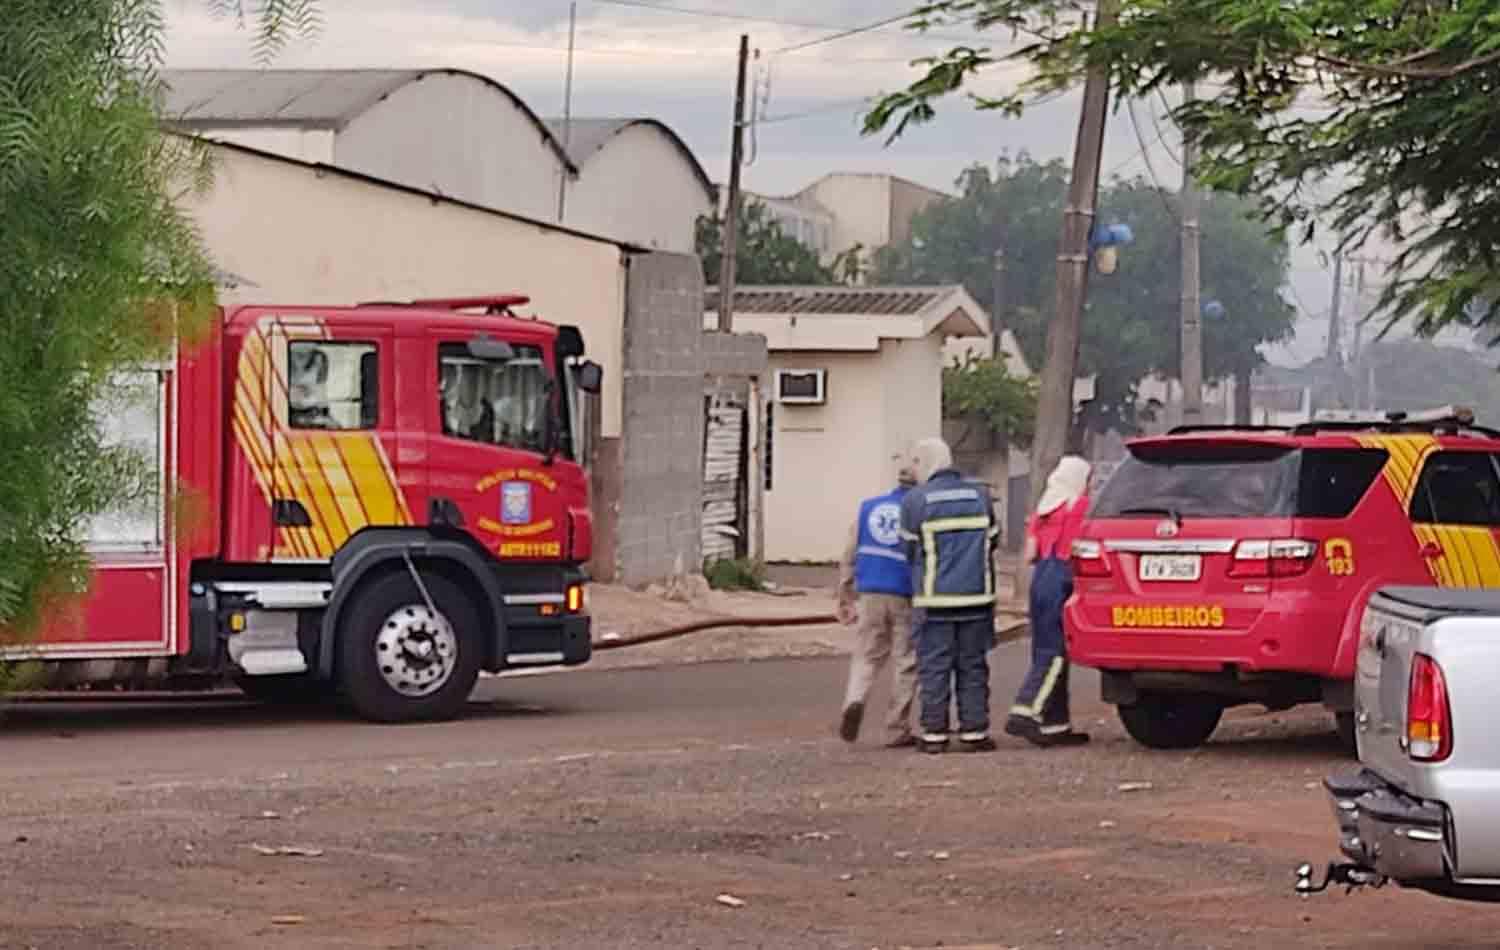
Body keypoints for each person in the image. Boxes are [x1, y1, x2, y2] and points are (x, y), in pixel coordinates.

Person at [899, 438, 1000, 754]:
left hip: (935, 601)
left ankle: (934, 735)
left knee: (934, 667)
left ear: (925, 463)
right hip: (976, 598)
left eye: (914, 463)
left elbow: (909, 551)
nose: (912, 471)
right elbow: (992, 541)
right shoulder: (981, 495)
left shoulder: (915, 500)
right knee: (973, 666)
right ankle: (974, 732)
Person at [1006, 455, 1093, 748]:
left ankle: (1057, 724)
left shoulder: (1041, 510)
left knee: (1044, 648)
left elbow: (1029, 554)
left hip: (1040, 578)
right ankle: (1026, 709)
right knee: (1056, 652)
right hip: (1063, 580)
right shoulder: (1079, 507)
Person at [835, 460, 920, 748]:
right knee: (905, 660)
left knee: (867, 656)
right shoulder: (918, 510)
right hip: (904, 593)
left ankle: (854, 700)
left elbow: (849, 553)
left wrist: (845, 595)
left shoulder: (868, 507)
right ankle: (897, 727)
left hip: (870, 590)